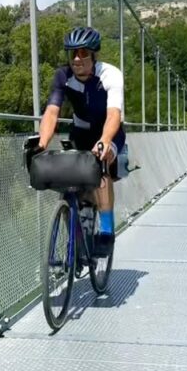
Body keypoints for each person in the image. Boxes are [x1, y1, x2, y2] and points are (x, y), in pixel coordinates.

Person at [36, 26, 129, 257]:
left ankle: (106, 231)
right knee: (69, 186)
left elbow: (114, 114)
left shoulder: (110, 74)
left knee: (101, 168)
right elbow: (51, 112)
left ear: (93, 55)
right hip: (80, 132)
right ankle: (77, 245)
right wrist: (42, 142)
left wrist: (105, 141)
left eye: (83, 53)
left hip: (109, 131)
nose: (77, 59)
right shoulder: (62, 76)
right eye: (72, 54)